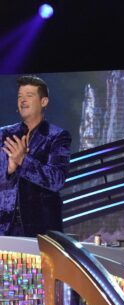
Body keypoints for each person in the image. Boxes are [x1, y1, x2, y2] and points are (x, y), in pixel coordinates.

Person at [0, 75, 71, 236]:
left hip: (41, 229)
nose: (23, 100)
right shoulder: (4, 135)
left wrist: (23, 161)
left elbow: (56, 180)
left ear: (44, 102)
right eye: (20, 97)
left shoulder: (57, 136)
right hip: (5, 228)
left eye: (29, 96)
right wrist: (9, 168)